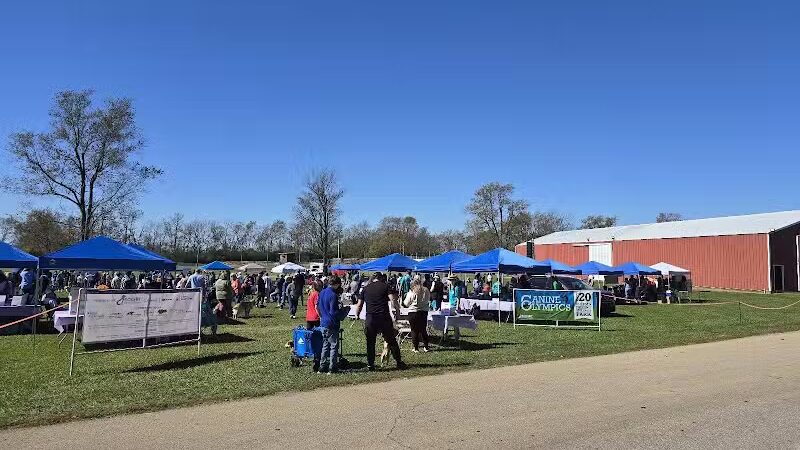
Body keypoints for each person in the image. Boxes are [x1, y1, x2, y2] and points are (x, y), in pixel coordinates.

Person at [355, 272, 407, 371]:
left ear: (373, 278)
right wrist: (397, 311)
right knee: (391, 340)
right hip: (384, 317)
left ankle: (370, 364)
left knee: (370, 342)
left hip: (371, 318)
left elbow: (359, 304)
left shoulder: (366, 288)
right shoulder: (385, 286)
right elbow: (393, 300)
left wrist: (357, 315)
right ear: (381, 278)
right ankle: (399, 362)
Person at [317, 276, 343, 374]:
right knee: (333, 346)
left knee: (325, 345)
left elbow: (318, 306)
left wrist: (322, 316)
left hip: (323, 322)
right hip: (332, 323)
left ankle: (322, 366)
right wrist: (342, 311)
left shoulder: (322, 292)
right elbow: (333, 312)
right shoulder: (333, 295)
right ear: (336, 284)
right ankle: (332, 367)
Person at [403, 275, 430, 353]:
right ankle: (426, 347)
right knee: (423, 330)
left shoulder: (412, 292)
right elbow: (428, 299)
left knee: (414, 330)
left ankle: (416, 348)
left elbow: (406, 303)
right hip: (423, 312)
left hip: (413, 312)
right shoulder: (426, 290)